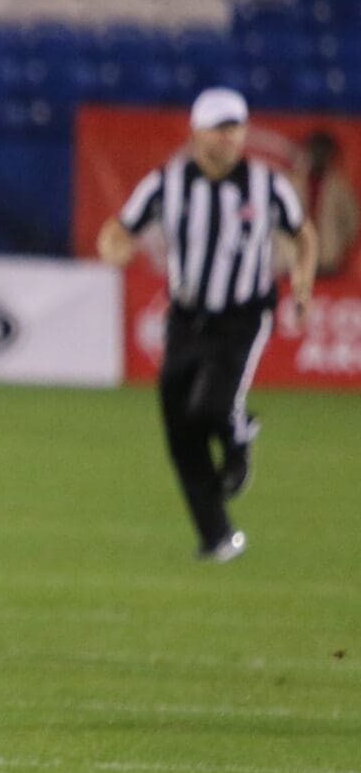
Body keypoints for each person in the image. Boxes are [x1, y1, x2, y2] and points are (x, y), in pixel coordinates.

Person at [98, 87, 316, 561]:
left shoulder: (267, 185)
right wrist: (117, 249)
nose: (229, 137)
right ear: (197, 131)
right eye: (219, 127)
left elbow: (302, 234)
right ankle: (218, 536)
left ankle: (237, 435)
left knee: (212, 405)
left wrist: (301, 287)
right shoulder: (166, 183)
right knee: (181, 429)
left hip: (242, 314)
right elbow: (118, 231)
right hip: (186, 317)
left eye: (236, 126)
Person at [294, 130, 358, 277]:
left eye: (324, 151)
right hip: (296, 257)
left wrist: (338, 247)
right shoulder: (294, 181)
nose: (319, 155)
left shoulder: (340, 185)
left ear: (331, 154)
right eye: (315, 150)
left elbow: (352, 222)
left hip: (329, 257)